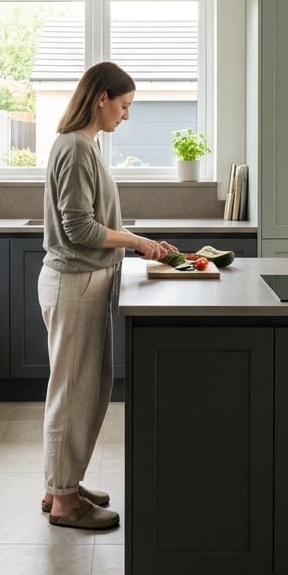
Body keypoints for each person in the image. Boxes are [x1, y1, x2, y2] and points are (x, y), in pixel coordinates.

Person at [39, 61, 177, 529]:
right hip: (75, 281)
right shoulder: (77, 148)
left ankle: (62, 483)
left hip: (83, 281)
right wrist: (136, 241)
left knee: (81, 389)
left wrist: (134, 242)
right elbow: (79, 229)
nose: (127, 115)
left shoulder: (84, 145)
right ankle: (63, 502)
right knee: (73, 392)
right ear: (101, 98)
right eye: (124, 105)